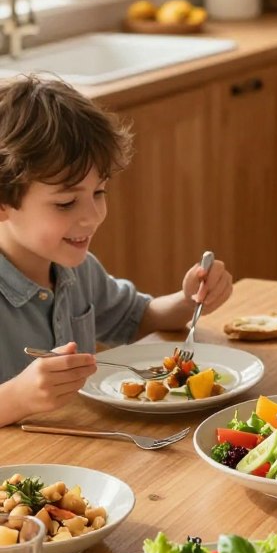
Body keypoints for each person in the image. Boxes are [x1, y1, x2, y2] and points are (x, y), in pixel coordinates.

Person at [0, 75, 233, 427]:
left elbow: (138, 318)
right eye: (66, 203)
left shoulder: (77, 271)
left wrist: (188, 300)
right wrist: (16, 397)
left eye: (99, 192)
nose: (93, 217)